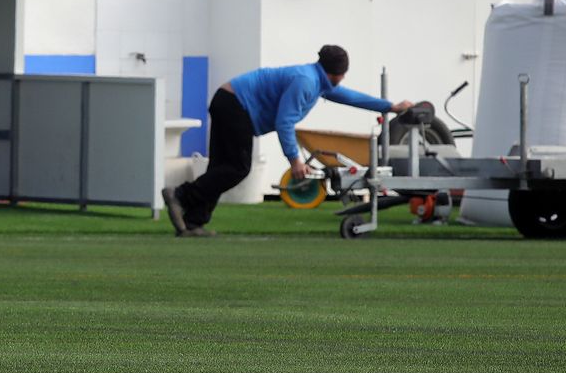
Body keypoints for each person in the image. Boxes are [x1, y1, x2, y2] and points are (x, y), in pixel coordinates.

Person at [163, 45, 412, 237]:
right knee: (237, 168)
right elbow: (284, 122)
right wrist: (295, 161)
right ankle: (181, 196)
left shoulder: (316, 79)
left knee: (220, 168)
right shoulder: (306, 82)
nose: (343, 80)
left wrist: (390, 107)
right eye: (343, 74)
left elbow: (351, 98)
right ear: (337, 73)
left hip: (228, 100)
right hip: (234, 105)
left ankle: (193, 222)